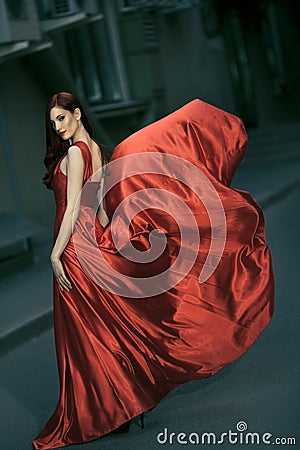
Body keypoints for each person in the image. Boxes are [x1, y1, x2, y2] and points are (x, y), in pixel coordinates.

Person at [32, 92, 275, 449]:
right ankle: (122, 406)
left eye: (61, 119)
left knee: (87, 338)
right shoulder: (97, 150)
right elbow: (97, 209)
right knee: (106, 331)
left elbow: (71, 210)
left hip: (71, 248)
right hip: (90, 244)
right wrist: (111, 240)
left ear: (77, 114)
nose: (57, 127)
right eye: (52, 123)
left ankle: (112, 409)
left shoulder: (73, 154)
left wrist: (55, 255)